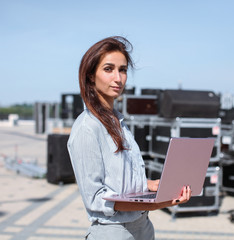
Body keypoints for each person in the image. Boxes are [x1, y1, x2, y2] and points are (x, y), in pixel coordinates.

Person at [67, 36, 191, 240]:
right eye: (108, 69)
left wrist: (149, 185)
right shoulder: (87, 128)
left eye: (122, 70)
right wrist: (158, 203)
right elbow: (97, 199)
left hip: (143, 227)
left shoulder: (118, 121)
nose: (118, 78)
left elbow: (118, 181)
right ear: (91, 76)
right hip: (114, 232)